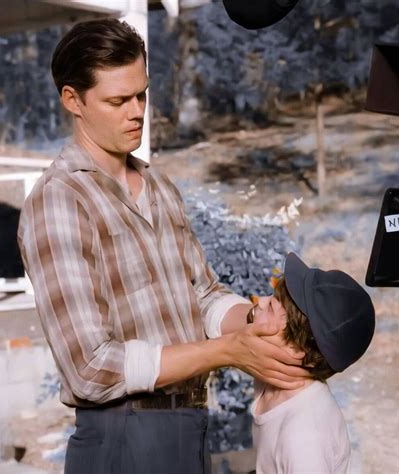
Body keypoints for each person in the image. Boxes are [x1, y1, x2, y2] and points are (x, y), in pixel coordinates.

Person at [17, 18, 307, 474]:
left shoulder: (159, 185)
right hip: (123, 434)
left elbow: (203, 296)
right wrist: (228, 351)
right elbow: (91, 368)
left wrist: (256, 325)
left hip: (188, 423)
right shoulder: (59, 202)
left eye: (142, 94)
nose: (137, 112)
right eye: (117, 100)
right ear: (73, 100)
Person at [248, 252, 376, 473]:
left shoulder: (305, 438)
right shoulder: (272, 380)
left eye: (271, 307)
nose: (259, 301)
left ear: (296, 350)